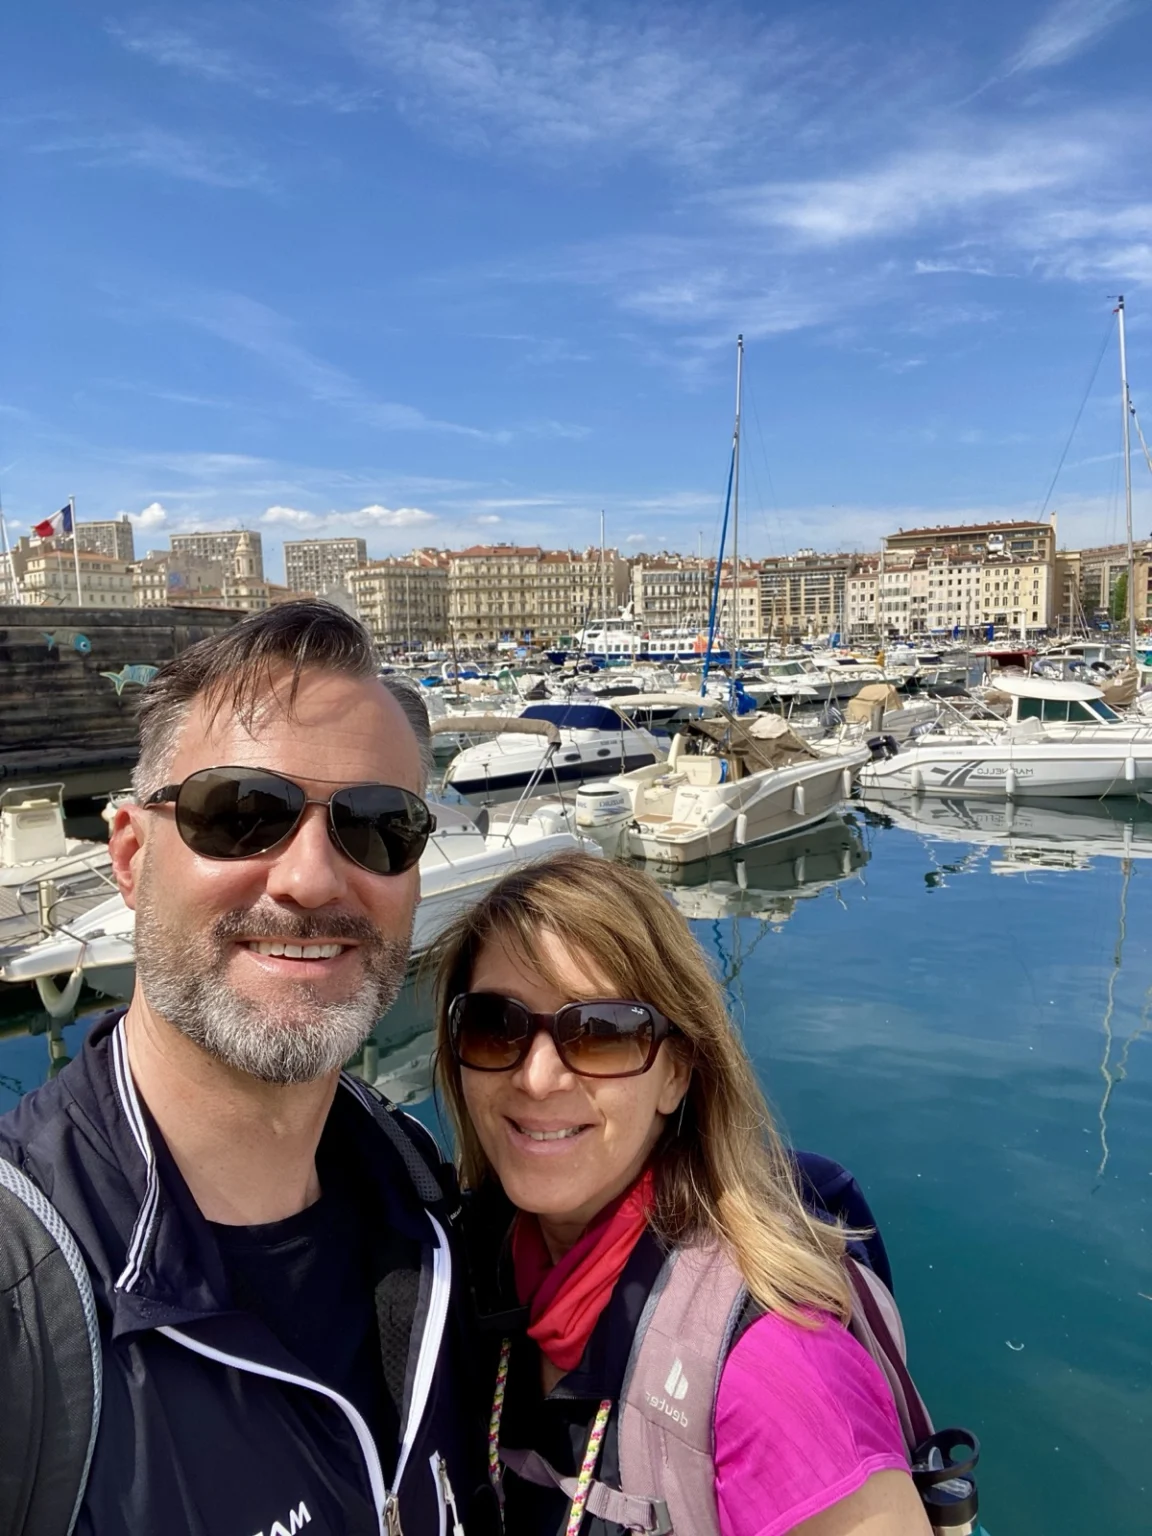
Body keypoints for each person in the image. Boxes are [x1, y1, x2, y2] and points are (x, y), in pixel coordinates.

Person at [0, 600, 490, 1535]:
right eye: (242, 814)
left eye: (377, 826)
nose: (311, 878)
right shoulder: (19, 1301)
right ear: (131, 856)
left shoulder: (425, 1201)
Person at [433, 851, 933, 1536]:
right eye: (497, 1027)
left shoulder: (778, 1365)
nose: (537, 1077)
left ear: (677, 1074)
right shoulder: (464, 1267)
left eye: (602, 1034)